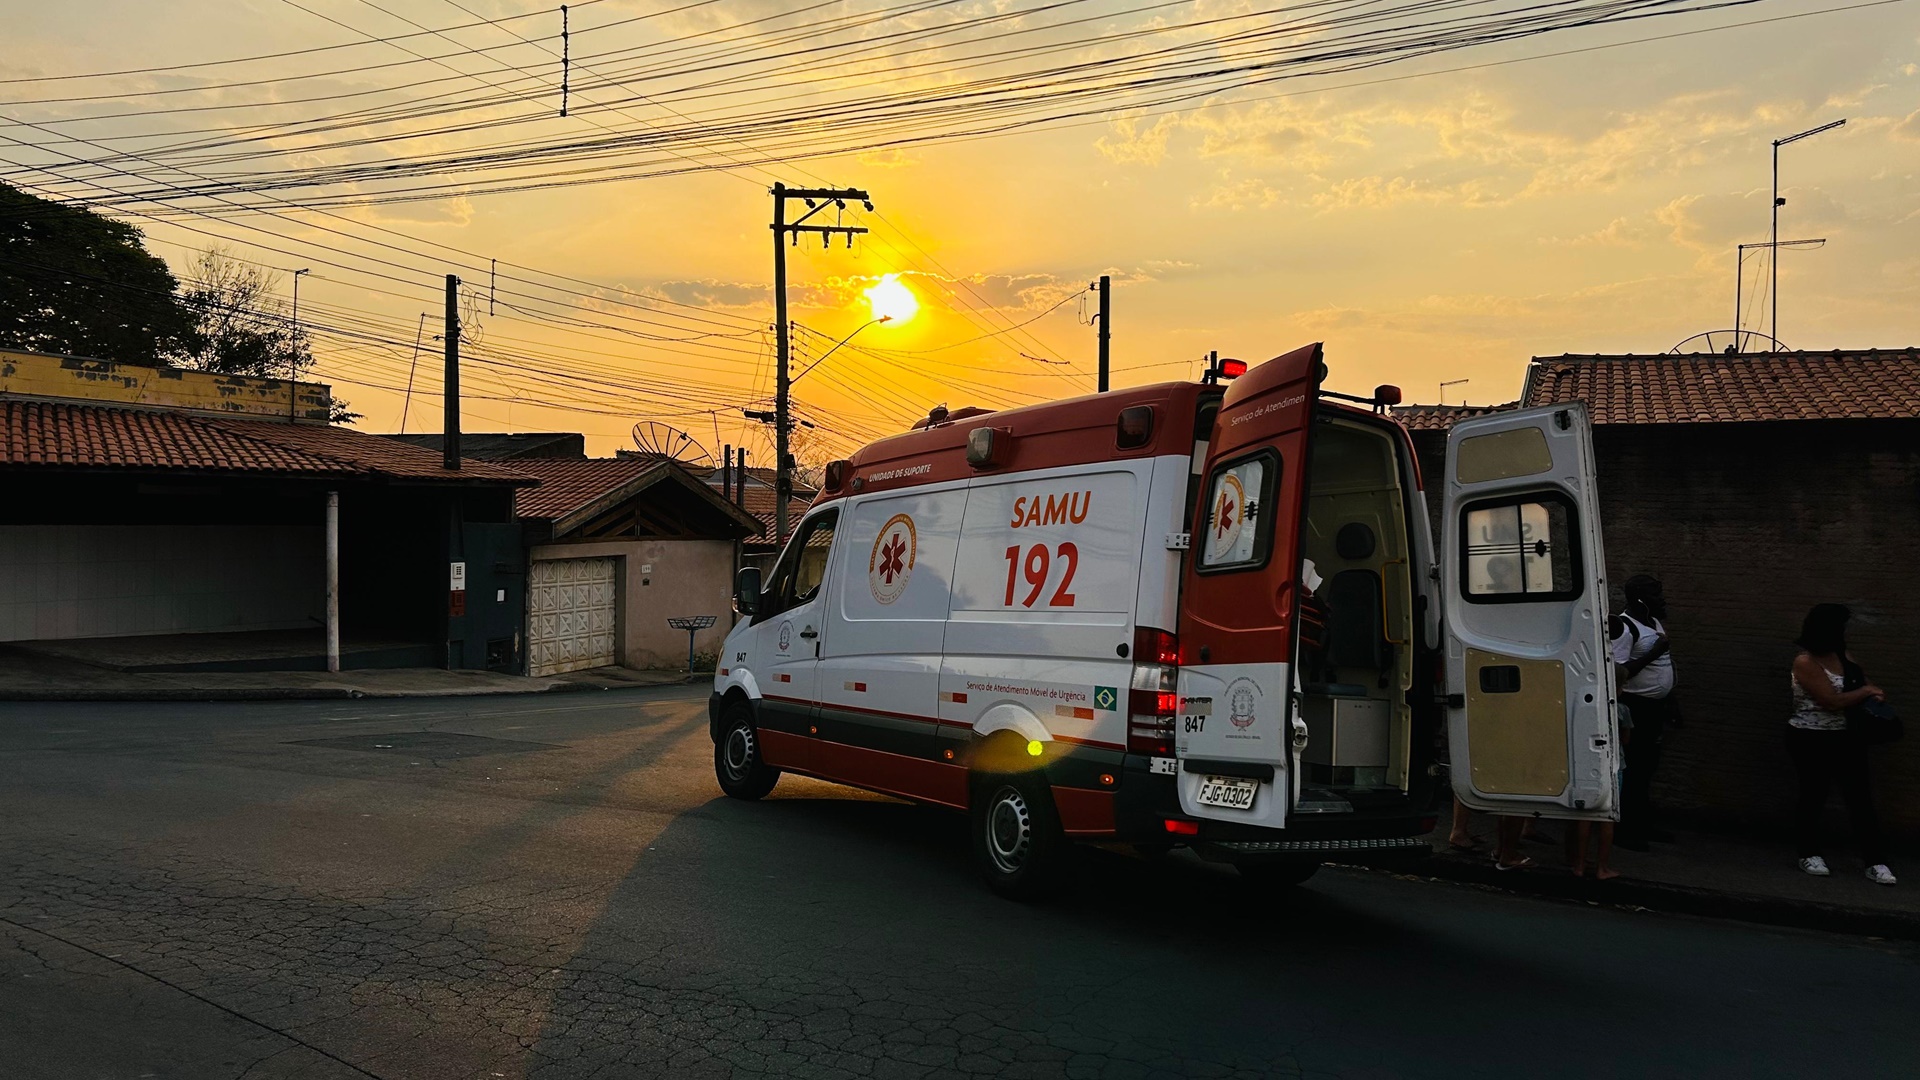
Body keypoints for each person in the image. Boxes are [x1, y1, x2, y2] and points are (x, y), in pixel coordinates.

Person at [1788, 604, 1896, 885]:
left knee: (1860, 799)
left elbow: (1865, 684)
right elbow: (1831, 701)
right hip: (1810, 738)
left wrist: (1873, 694)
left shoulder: (1844, 656)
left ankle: (1875, 861)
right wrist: (1865, 692)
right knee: (1814, 794)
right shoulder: (1805, 662)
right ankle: (1808, 853)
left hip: (1847, 737)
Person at [1611, 575, 1678, 850]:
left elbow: (1665, 664)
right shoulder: (1625, 628)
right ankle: (1626, 831)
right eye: (1655, 593)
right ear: (1639, 598)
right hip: (1635, 709)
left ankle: (1643, 824)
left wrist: (1672, 702)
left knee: (1648, 768)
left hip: (1655, 708)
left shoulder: (1653, 622)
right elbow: (1618, 672)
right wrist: (1655, 652)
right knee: (1634, 769)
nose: (1661, 599)